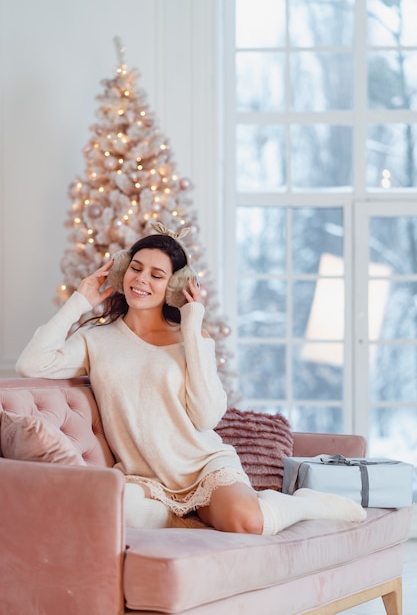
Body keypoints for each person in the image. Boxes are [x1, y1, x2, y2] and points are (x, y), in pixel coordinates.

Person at [16, 224, 367, 534]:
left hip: (203, 467)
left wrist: (193, 325)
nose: (141, 280)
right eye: (135, 268)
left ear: (174, 286)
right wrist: (80, 300)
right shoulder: (97, 339)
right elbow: (32, 365)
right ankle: (185, 517)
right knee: (111, 506)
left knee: (248, 522)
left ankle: (304, 503)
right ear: (123, 271)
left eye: (157, 275)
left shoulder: (190, 340)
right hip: (146, 478)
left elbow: (206, 416)